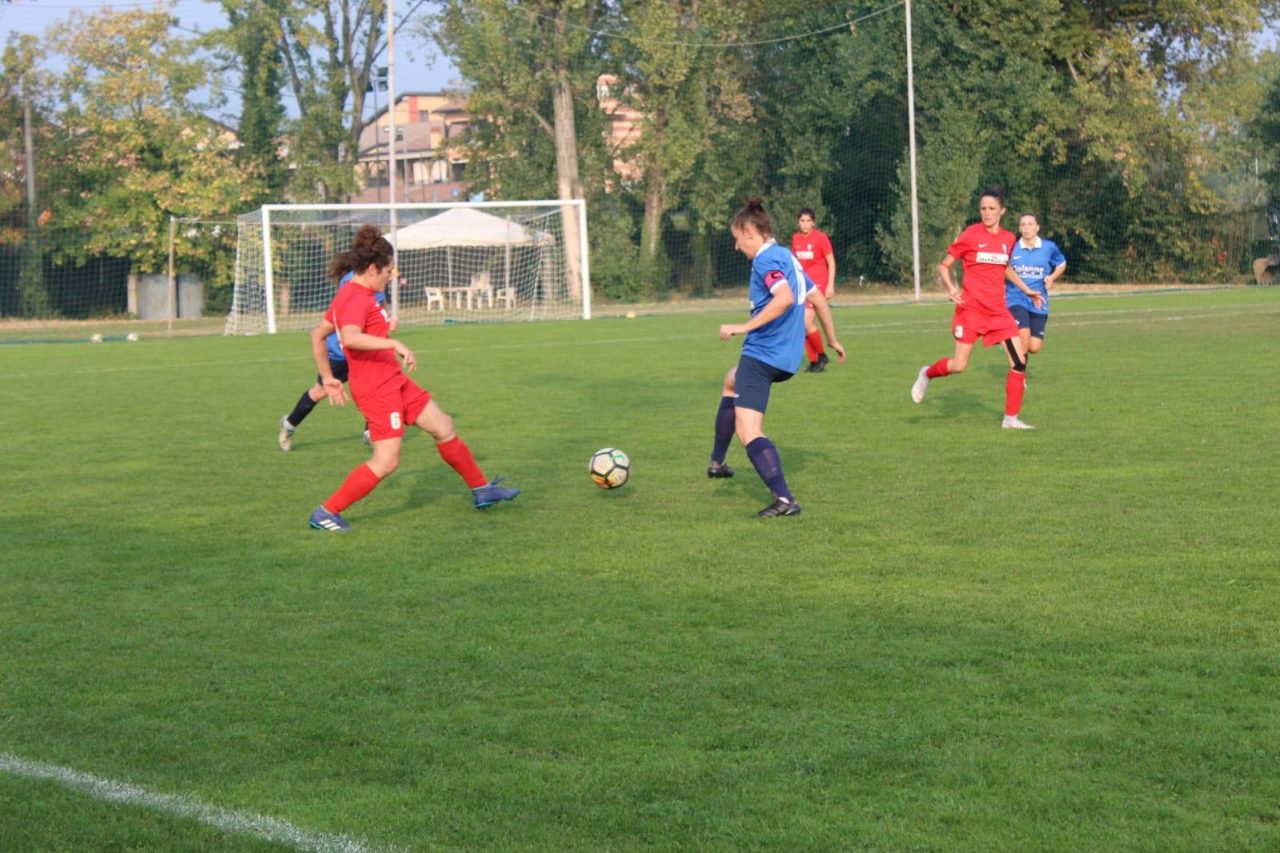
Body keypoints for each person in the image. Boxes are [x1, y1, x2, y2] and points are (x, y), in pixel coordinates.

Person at [307, 225, 519, 532]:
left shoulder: (357, 293)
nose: (391, 276)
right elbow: (351, 338)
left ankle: (482, 489)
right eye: (388, 271)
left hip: (393, 380)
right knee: (386, 461)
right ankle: (326, 512)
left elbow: (319, 333)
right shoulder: (355, 298)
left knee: (443, 426)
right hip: (377, 389)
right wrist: (393, 343)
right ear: (371, 268)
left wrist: (328, 377)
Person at [707, 197, 846, 518]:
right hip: (787, 357)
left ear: (751, 232)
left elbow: (783, 298)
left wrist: (744, 326)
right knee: (731, 381)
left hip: (763, 354)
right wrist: (833, 340)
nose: (736, 247)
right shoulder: (788, 257)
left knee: (749, 430)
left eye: (737, 239)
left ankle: (784, 500)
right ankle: (717, 463)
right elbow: (819, 301)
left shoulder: (765, 262)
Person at [909, 187, 1044, 429]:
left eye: (992, 209)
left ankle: (1010, 419)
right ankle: (927, 373)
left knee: (1019, 361)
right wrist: (951, 288)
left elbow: (1004, 268)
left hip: (998, 313)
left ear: (1002, 210)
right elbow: (944, 266)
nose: (987, 213)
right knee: (959, 365)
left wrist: (1026, 290)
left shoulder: (1008, 239)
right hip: (970, 312)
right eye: (983, 208)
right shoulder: (971, 235)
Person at [276, 272, 390, 452]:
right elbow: (343, 315)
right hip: (339, 353)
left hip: (363, 352)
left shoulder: (377, 283)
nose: (389, 275)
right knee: (320, 392)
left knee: (373, 387)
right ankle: (289, 423)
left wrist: (387, 322)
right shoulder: (352, 282)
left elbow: (382, 308)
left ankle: (370, 432)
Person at [1005, 213, 1066, 367]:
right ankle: (1019, 375)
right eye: (1023, 225)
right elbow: (1004, 269)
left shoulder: (1048, 247)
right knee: (1024, 338)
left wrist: (1052, 277)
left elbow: (1061, 264)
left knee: (1034, 347)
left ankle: (1011, 341)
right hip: (1015, 298)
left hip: (1039, 302)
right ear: (1019, 228)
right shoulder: (1012, 248)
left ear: (1037, 227)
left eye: (1030, 224)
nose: (1026, 228)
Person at [790, 206, 837, 373]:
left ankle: (821, 356)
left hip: (818, 284)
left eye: (808, 221)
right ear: (798, 222)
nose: (805, 224)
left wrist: (830, 285)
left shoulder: (821, 238)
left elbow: (831, 262)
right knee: (802, 325)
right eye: (802, 220)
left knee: (805, 322)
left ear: (813, 222)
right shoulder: (795, 239)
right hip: (803, 285)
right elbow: (795, 264)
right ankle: (815, 361)